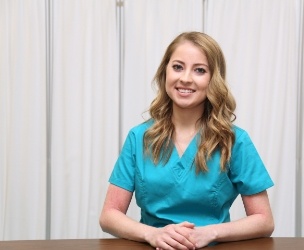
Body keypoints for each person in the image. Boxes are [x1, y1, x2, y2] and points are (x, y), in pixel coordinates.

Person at [99, 31, 274, 250]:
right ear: (165, 72)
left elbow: (264, 219)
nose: (185, 78)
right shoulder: (139, 138)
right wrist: (153, 234)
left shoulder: (234, 140)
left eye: (199, 70)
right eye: (178, 67)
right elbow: (109, 215)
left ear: (213, 79)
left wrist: (209, 233)